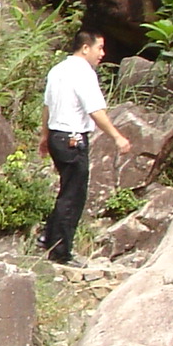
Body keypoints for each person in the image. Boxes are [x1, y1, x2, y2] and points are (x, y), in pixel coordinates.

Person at [40, 27, 124, 265]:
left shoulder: (57, 70)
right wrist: (117, 137)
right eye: (99, 47)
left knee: (67, 191)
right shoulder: (83, 73)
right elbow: (95, 110)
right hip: (72, 137)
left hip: (57, 136)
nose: (102, 53)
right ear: (85, 47)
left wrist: (45, 136)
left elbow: (47, 106)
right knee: (73, 195)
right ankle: (61, 251)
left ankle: (49, 238)